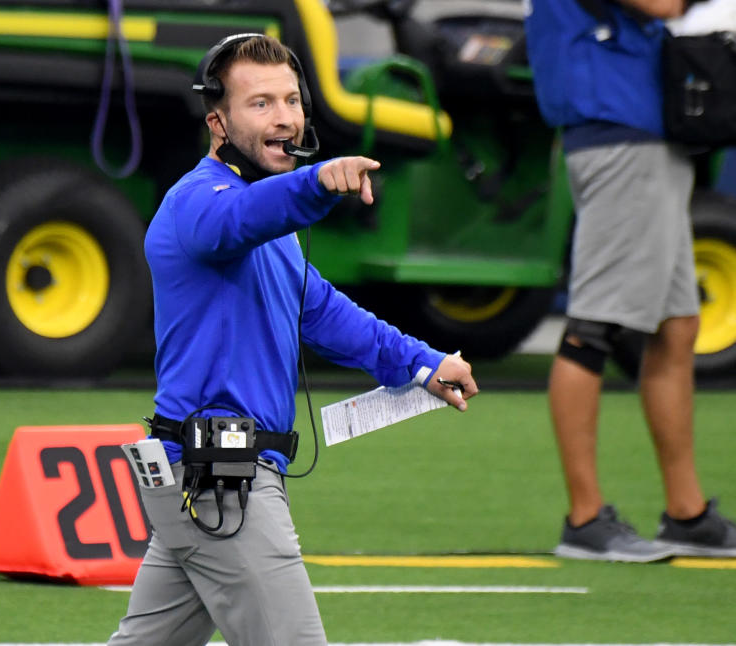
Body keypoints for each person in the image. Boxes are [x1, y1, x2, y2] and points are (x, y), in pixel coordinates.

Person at [107, 33, 477, 645]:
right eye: (261, 104)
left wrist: (422, 364)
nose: (285, 117)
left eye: (291, 100)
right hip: (219, 478)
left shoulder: (268, 217)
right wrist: (317, 183)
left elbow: (323, 312)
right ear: (217, 122)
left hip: (201, 481)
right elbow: (237, 221)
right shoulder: (199, 202)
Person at [525, 0, 736, 561]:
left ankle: (687, 515)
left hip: (637, 125)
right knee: (591, 329)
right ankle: (585, 519)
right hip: (618, 129)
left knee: (678, 326)